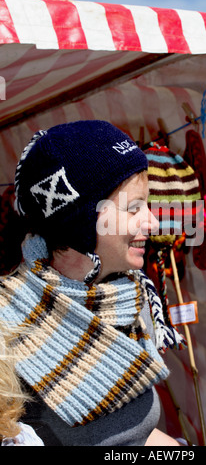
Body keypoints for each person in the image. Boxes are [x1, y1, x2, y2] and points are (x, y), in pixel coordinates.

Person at [0, 120, 186, 446]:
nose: (152, 221)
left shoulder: (125, 298)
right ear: (81, 223)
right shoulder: (9, 329)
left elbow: (137, 437)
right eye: (134, 208)